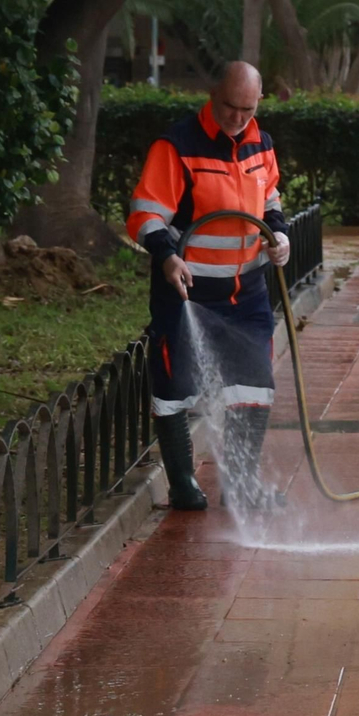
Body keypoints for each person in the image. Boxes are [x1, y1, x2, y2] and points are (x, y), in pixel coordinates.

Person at [125, 62, 291, 511]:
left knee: (254, 385)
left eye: (248, 109)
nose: (238, 118)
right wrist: (167, 256)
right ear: (212, 95)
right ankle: (183, 484)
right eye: (230, 107)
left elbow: (270, 197)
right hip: (187, 294)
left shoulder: (261, 143)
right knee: (174, 388)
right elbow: (145, 213)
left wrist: (279, 235)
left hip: (245, 292)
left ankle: (241, 485)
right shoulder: (177, 146)